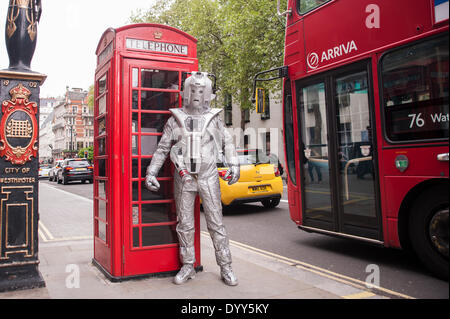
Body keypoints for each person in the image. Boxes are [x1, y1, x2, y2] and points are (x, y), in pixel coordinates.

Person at [145, 72, 240, 286]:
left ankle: (226, 267)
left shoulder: (214, 118)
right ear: (186, 93)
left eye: (201, 90)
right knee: (185, 224)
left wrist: (234, 163)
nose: (196, 95)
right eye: (193, 90)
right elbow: (162, 149)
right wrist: (151, 172)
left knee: (216, 224)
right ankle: (188, 265)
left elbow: (228, 143)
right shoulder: (174, 119)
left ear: (207, 94)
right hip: (184, 177)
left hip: (208, 176)